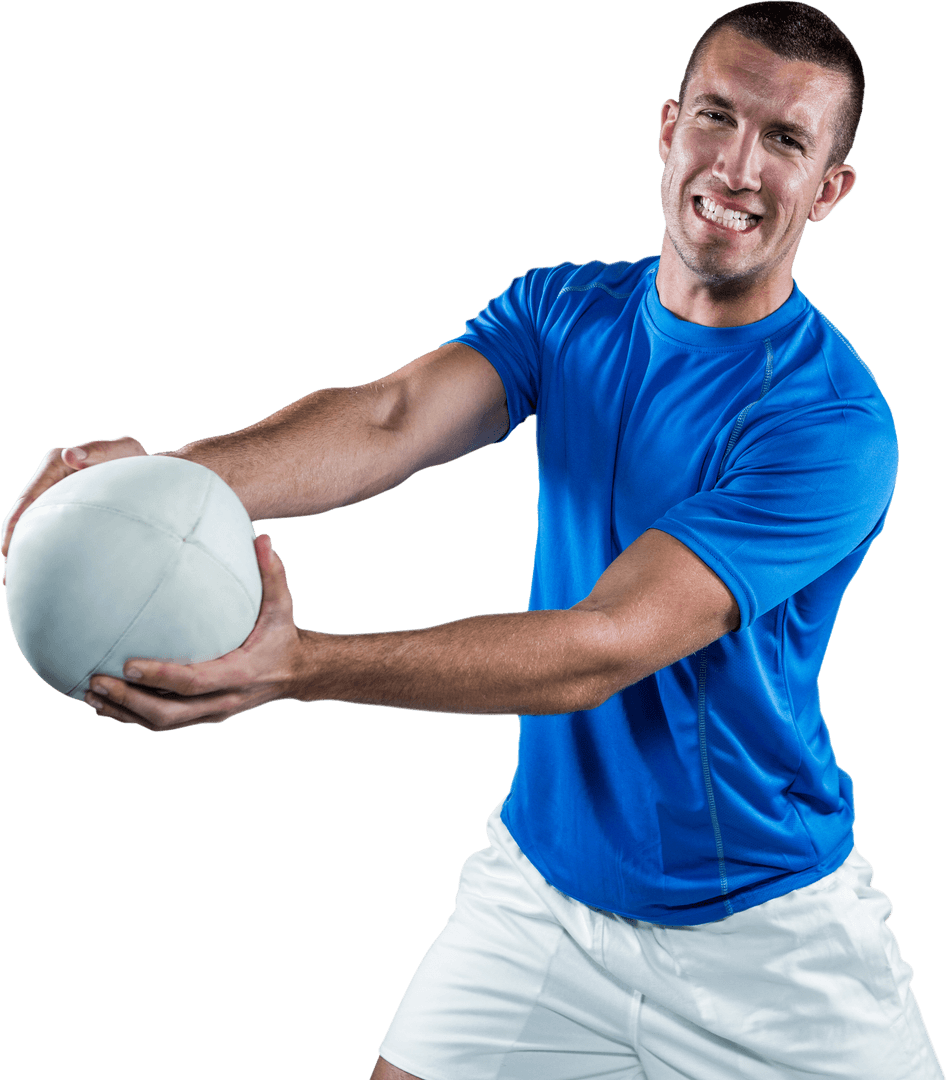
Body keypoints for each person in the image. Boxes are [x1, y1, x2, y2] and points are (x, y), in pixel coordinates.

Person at [2, 3, 941, 1077]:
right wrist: (148, 485)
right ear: (668, 126)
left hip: (763, 930)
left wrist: (304, 668)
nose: (734, 166)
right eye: (717, 118)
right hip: (545, 887)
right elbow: (390, 418)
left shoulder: (827, 424)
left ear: (828, 189)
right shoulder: (567, 310)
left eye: (784, 141)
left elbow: (602, 643)